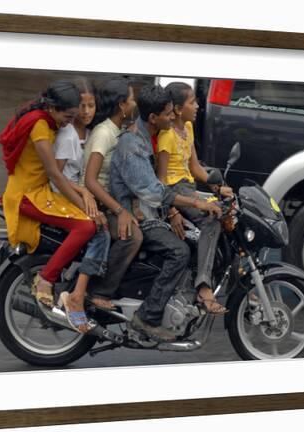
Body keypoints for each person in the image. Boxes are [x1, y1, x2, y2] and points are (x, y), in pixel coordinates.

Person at [109, 84, 222, 342]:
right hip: (136, 214)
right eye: (169, 113)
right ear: (153, 118)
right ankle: (147, 317)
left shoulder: (148, 135)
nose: (172, 117)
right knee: (178, 251)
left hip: (150, 211)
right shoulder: (133, 144)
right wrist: (194, 204)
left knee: (190, 242)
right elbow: (154, 191)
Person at [0, 80, 97, 333]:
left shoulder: (45, 119)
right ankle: (45, 279)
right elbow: (55, 174)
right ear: (53, 108)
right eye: (68, 116)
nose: (69, 121)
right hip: (27, 195)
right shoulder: (41, 126)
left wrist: (82, 192)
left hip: (36, 190)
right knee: (86, 227)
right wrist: (83, 206)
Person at [156, 82, 233, 314]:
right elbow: (160, 181)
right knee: (212, 217)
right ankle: (203, 286)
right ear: (178, 109)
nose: (198, 106)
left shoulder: (187, 127)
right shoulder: (166, 136)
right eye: (193, 102)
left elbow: (195, 167)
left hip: (188, 186)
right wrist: (172, 210)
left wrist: (218, 188)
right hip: (175, 191)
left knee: (230, 210)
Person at [51, 78, 112, 310]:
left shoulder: (91, 133)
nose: (87, 111)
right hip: (62, 193)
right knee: (101, 232)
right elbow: (56, 175)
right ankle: (79, 293)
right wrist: (84, 191)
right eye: (82, 106)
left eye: (91, 105)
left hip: (78, 191)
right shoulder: (68, 135)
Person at [81, 78, 143, 301]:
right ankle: (99, 292)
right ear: (121, 106)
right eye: (131, 99)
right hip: (95, 202)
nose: (134, 103)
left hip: (110, 200)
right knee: (132, 236)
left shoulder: (119, 131)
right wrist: (120, 211)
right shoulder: (104, 133)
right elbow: (90, 180)